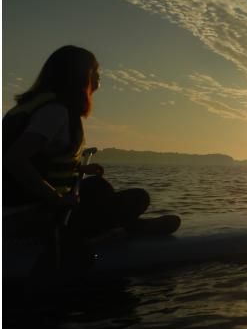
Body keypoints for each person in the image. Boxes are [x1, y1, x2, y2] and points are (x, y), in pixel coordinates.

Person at [3, 45, 180, 251]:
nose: (98, 78)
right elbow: (14, 160)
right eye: (94, 72)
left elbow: (39, 161)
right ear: (79, 77)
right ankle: (127, 229)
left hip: (18, 210)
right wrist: (56, 199)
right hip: (24, 218)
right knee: (138, 198)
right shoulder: (55, 112)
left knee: (98, 187)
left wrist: (78, 169)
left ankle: (114, 227)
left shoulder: (27, 109)